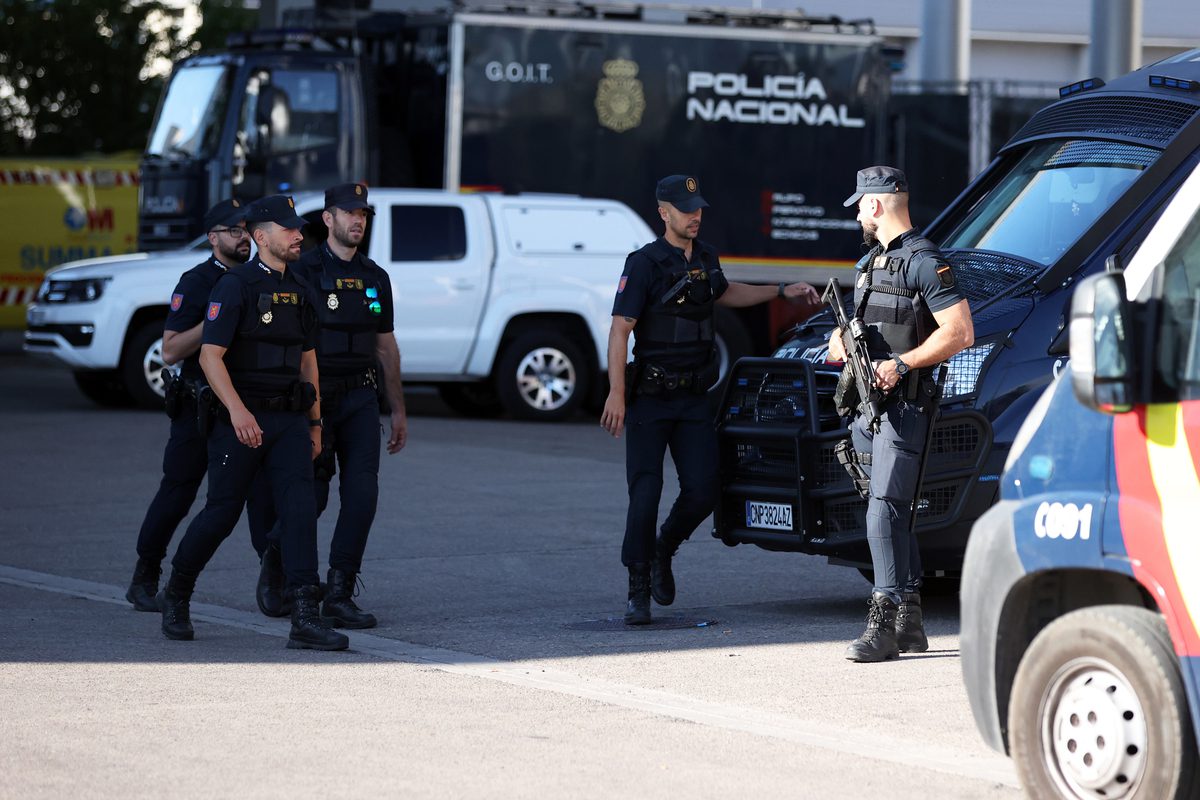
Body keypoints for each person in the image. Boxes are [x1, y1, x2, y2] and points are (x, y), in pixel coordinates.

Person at [600, 174, 818, 625]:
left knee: (703, 490)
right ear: (664, 212)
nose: (694, 215)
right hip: (650, 398)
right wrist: (616, 394)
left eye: (698, 207)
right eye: (685, 209)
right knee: (646, 492)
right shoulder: (643, 263)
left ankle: (664, 548)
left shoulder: (705, 257)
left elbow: (726, 291)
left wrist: (781, 289)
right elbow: (621, 329)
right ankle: (637, 585)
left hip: (695, 398)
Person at [158, 194, 348, 651]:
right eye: (288, 229)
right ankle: (177, 593)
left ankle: (303, 616)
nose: (298, 235)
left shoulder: (301, 288)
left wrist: (316, 424)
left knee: (301, 512)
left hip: (288, 422)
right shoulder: (235, 286)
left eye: (298, 228)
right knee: (221, 514)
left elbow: (308, 363)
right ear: (261, 237)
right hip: (240, 422)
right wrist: (239, 413)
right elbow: (209, 356)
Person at [828, 166, 974, 663]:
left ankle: (883, 622)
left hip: (906, 404)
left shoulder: (924, 261)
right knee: (888, 509)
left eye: (860, 208)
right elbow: (865, 330)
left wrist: (902, 364)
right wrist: (842, 342)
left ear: (874, 206)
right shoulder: (871, 263)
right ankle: (910, 622)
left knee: (884, 510)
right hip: (871, 406)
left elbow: (959, 332)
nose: (859, 218)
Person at [255, 182, 407, 627]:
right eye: (349, 212)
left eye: (363, 214)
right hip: (315, 398)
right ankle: (276, 562)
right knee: (313, 497)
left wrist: (397, 407)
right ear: (328, 218)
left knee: (363, 495)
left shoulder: (375, 276)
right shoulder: (302, 271)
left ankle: (339, 591)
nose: (358, 220)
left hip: (361, 397)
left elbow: (385, 346)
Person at [125, 199, 259, 611]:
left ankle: (283, 582)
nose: (243, 238)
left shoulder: (261, 277)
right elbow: (169, 349)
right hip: (198, 406)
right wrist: (217, 322)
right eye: (233, 231)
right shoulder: (198, 280)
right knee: (179, 492)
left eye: (246, 230)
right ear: (213, 237)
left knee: (256, 496)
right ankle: (146, 575)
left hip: (245, 401)